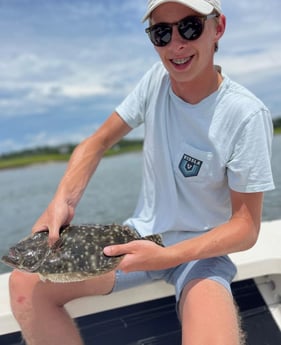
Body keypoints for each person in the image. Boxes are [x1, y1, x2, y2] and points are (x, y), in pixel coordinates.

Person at [9, 1, 275, 344]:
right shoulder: (155, 82)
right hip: (137, 239)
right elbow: (96, 143)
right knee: (24, 285)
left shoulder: (246, 115)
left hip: (200, 254)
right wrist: (62, 200)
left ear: (218, 28)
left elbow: (246, 227)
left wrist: (169, 256)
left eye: (190, 27)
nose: (176, 44)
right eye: (161, 32)